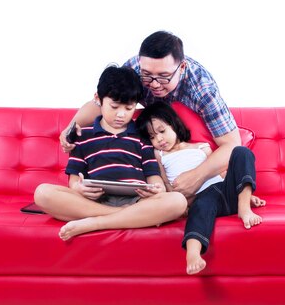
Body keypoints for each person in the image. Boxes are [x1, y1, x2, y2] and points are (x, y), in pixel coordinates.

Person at [59, 30, 241, 198]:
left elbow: (232, 144)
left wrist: (197, 176)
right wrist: (69, 128)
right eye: (147, 75)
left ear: (182, 67)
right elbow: (104, 101)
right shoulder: (134, 69)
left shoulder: (202, 89)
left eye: (163, 76)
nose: (154, 84)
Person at [34, 66, 187, 241]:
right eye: (114, 106)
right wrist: (79, 188)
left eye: (129, 108)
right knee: (42, 193)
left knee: (177, 201)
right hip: (94, 202)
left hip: (137, 201)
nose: (121, 114)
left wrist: (157, 188)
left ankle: (95, 223)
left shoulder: (142, 136)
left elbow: (153, 176)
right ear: (98, 99)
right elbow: (74, 181)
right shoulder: (83, 135)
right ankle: (127, 217)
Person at [136, 102, 265, 275]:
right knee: (202, 206)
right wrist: (177, 204)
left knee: (241, 152)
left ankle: (244, 207)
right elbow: (165, 183)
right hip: (200, 199)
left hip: (224, 191)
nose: (159, 139)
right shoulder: (160, 155)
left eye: (162, 131)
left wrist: (244, 192)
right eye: (152, 136)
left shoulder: (200, 147)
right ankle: (193, 253)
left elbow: (221, 172)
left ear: (174, 125)